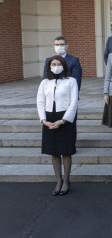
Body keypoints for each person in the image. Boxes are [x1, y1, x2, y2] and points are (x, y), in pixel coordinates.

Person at [37, 56, 78, 196]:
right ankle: (58, 180)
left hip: (65, 119)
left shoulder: (71, 81)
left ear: (64, 66)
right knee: (54, 151)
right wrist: (43, 120)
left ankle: (66, 180)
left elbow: (73, 103)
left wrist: (63, 120)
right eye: (53, 64)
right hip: (49, 118)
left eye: (59, 64)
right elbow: (40, 102)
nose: (56, 66)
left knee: (66, 151)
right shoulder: (44, 82)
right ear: (49, 66)